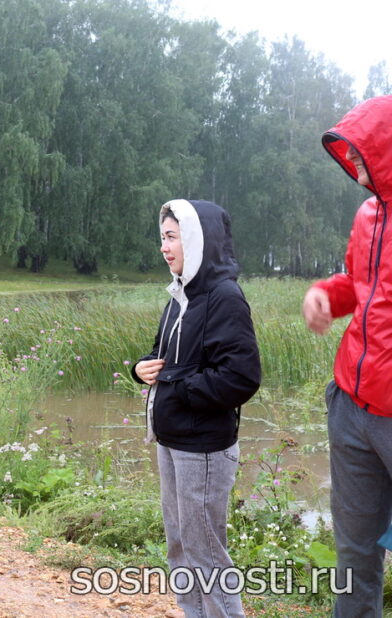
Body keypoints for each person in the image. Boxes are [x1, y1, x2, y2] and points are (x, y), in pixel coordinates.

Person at [132, 199, 260, 618]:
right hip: (170, 438)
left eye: (172, 238)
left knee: (206, 552)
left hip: (203, 448)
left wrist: (175, 384)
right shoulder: (180, 295)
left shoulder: (225, 297)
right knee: (179, 545)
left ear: (197, 239)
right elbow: (162, 357)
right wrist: (141, 369)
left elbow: (241, 377)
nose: (164, 248)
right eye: (162, 238)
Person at [302, 94, 392, 617]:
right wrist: (326, 297)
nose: (355, 169)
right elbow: (359, 285)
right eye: (350, 159)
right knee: (354, 555)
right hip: (352, 408)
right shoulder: (367, 215)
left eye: (363, 157)